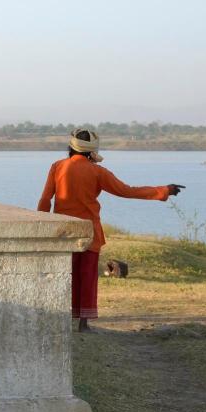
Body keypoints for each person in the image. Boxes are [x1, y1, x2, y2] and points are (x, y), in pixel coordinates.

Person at [38, 129, 183, 331]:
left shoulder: (57, 167)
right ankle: (83, 323)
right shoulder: (98, 172)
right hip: (89, 231)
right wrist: (163, 190)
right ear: (91, 152)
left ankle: (62, 318)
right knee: (87, 276)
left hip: (63, 230)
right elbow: (126, 191)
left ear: (71, 147)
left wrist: (42, 226)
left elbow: (46, 199)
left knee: (65, 275)